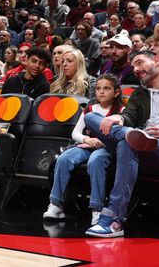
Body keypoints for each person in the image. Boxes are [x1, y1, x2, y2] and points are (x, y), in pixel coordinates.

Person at [84, 50, 159, 238]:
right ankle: (128, 135)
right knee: (91, 118)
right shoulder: (140, 92)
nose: (135, 69)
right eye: (133, 65)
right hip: (138, 142)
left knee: (127, 143)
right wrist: (119, 118)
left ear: (157, 60)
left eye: (140, 63)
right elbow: (130, 115)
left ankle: (112, 219)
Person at [43, 73, 123, 226]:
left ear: (116, 92)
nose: (101, 92)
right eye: (99, 88)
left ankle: (96, 208)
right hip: (88, 144)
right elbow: (75, 133)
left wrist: (101, 141)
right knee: (64, 158)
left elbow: (121, 135)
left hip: (107, 148)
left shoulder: (121, 110)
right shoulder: (90, 108)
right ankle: (56, 204)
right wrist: (87, 139)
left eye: (106, 88)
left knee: (96, 160)